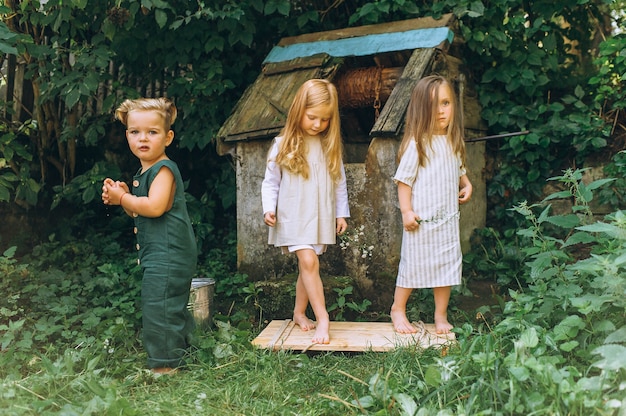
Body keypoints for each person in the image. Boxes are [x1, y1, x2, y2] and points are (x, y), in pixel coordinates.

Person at [102, 97, 197, 374]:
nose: (143, 138)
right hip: (161, 252)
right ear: (127, 134)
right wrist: (122, 198)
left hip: (170, 252)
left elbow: (154, 208)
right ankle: (185, 348)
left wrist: (124, 198)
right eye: (135, 132)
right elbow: (139, 212)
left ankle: (166, 366)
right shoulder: (145, 170)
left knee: (160, 307)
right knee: (167, 303)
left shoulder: (164, 170)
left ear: (168, 137)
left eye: (152, 132)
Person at [261, 79, 350, 344]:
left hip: (318, 216)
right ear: (298, 110)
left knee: (306, 266)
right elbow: (271, 182)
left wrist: (340, 213)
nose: (317, 124)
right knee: (310, 262)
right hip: (292, 215)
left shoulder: (329, 146)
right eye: (312, 117)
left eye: (324, 120)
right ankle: (323, 318)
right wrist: (269, 208)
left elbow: (339, 182)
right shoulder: (282, 144)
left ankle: (299, 312)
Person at [390, 75, 473, 335]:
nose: (440, 110)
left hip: (447, 221)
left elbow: (459, 170)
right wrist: (406, 211)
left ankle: (440, 316)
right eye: (434, 104)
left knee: (446, 267)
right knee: (412, 266)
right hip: (421, 223)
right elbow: (404, 181)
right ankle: (397, 309)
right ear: (420, 108)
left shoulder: (453, 142)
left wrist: (467, 184)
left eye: (446, 103)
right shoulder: (417, 144)